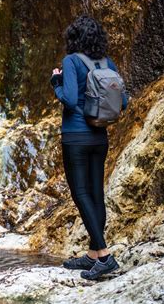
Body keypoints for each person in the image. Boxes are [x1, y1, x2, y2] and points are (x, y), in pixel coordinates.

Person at [50, 14, 128, 280]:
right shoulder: (108, 63)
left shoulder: (71, 61)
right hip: (100, 137)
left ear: (74, 38)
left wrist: (57, 84)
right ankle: (93, 253)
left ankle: (104, 256)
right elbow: (124, 102)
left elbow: (70, 100)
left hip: (76, 137)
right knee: (96, 194)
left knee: (81, 194)